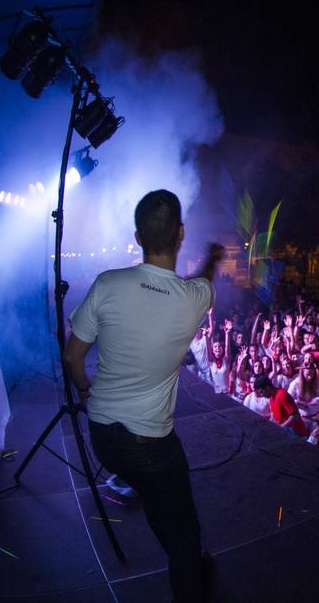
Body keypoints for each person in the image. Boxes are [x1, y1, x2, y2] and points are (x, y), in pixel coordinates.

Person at [64, 190, 220, 603]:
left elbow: (72, 355)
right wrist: (215, 258)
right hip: (149, 443)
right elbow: (205, 278)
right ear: (181, 233)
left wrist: (85, 391)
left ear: (137, 236)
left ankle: (181, 555)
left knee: (155, 497)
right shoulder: (194, 299)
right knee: (184, 531)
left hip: (103, 438)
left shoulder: (107, 283)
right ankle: (187, 566)